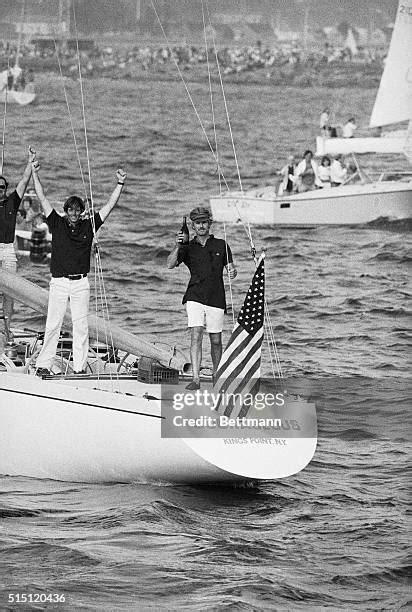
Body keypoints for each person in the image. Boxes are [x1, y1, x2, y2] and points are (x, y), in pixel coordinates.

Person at [31, 157, 127, 376]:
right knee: (53, 324)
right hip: (59, 282)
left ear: (82, 212)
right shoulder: (56, 222)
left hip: (81, 282)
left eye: (77, 210)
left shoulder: (89, 225)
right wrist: (35, 173)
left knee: (81, 327)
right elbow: (42, 196)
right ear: (65, 211)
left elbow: (109, 206)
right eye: (70, 210)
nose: (74, 214)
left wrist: (120, 184)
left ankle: (79, 368)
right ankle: (43, 365)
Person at [167, 207, 237, 390]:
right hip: (194, 296)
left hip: (216, 296)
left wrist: (232, 271)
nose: (201, 226)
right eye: (197, 223)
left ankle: (217, 376)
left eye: (204, 222)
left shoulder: (222, 245)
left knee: (216, 339)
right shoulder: (188, 247)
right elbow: (170, 264)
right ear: (192, 225)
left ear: (210, 223)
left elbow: (231, 270)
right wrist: (178, 245)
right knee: (196, 335)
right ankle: (196, 379)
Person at [0, 146, 36, 342]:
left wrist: (30, 161)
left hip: (6, 249)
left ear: (6, 190)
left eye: (2, 187)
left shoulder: (12, 202)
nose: (0, 190)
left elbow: (24, 181)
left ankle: (6, 328)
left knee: (9, 292)